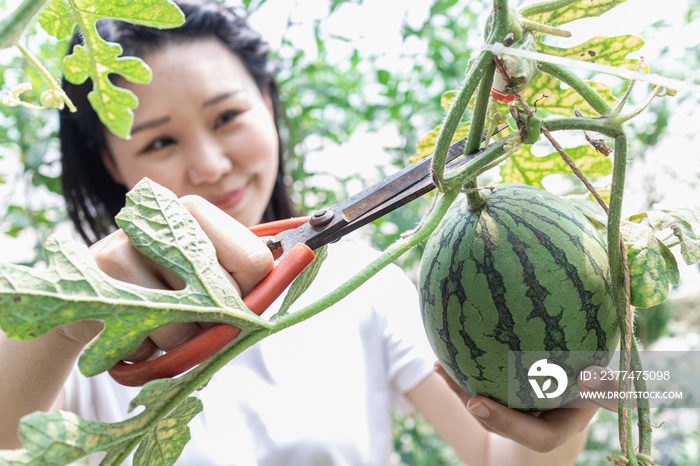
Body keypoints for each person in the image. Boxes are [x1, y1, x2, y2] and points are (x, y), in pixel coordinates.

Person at [0, 1, 615, 464]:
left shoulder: (365, 285)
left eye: (228, 116)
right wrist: (71, 320)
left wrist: (572, 398)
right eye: (161, 140)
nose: (211, 164)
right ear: (109, 163)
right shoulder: (83, 340)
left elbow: (493, 454)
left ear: (267, 104)